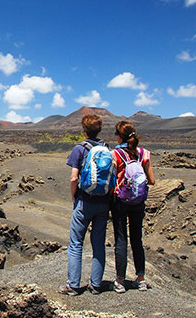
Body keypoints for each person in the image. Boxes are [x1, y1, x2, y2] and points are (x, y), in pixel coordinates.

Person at [60, 113, 115, 295]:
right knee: (98, 243)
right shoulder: (107, 148)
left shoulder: (80, 149)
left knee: (76, 243)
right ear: (99, 130)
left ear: (84, 132)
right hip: (103, 203)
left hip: (84, 202)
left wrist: (74, 196)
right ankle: (96, 284)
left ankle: (74, 286)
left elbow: (74, 177)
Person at [111, 119, 155, 293]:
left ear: (119, 137)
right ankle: (141, 279)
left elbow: (111, 178)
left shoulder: (115, 154)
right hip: (138, 202)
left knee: (121, 240)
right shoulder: (144, 154)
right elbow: (151, 180)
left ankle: (120, 281)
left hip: (120, 202)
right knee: (137, 239)